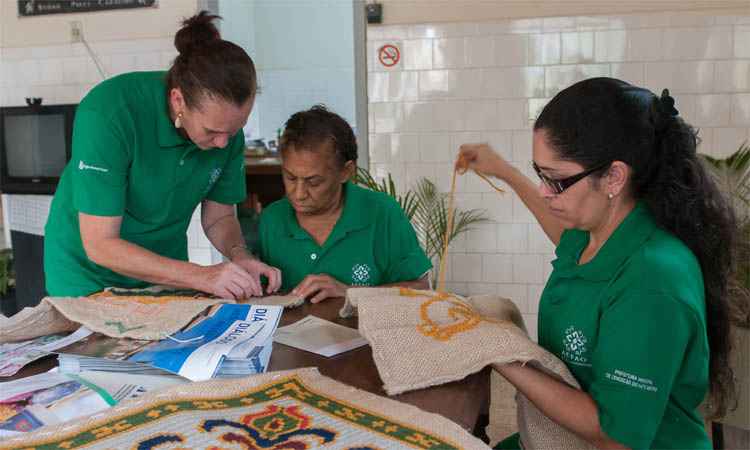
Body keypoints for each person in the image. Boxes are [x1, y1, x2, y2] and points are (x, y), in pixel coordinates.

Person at [457, 78, 736, 450]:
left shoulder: (652, 281)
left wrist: (501, 354)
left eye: (554, 180)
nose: (544, 190)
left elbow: (615, 435)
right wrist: (503, 170)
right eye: (540, 174)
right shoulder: (597, 230)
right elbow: (561, 228)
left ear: (614, 176)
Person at [44, 11, 280, 300]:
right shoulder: (109, 113)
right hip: (85, 274)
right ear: (177, 100)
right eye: (212, 131)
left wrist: (240, 256)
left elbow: (219, 217)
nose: (223, 143)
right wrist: (202, 275)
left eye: (234, 130)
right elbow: (100, 244)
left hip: (164, 270)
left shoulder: (227, 133)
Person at [255, 105, 432, 303]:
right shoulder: (272, 219)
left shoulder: (382, 213)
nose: (299, 194)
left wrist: (351, 293)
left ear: (345, 172)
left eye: (314, 182)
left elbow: (422, 290)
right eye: (290, 178)